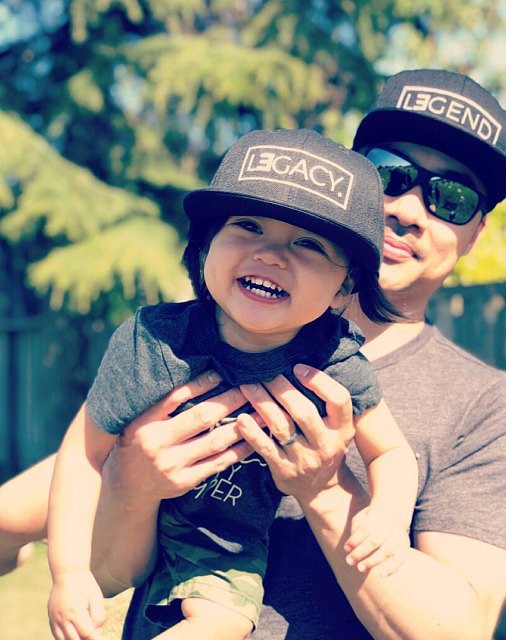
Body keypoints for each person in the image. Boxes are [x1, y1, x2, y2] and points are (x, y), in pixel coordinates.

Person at [0, 69, 506, 639]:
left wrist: (325, 490)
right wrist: (132, 485)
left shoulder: (482, 406)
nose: (407, 208)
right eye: (388, 173)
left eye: (452, 198)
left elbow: (456, 631)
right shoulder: (180, 343)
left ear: (476, 232)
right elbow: (69, 532)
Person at [45, 128, 418, 640]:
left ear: (344, 286)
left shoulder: (332, 359)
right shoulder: (154, 340)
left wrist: (389, 515)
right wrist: (68, 573)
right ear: (205, 246)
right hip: (133, 530)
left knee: (226, 620)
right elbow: (83, 451)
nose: (272, 254)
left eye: (308, 243)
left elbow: (391, 453)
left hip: (224, 544)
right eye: (248, 225)